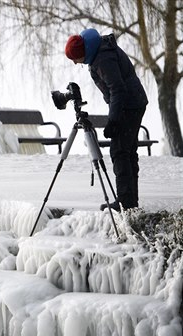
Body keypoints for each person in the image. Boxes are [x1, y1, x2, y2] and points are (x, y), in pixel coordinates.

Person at [65, 28, 148, 211]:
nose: (75, 63)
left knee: (119, 152)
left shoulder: (103, 59)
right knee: (127, 152)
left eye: (74, 59)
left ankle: (125, 203)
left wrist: (114, 121)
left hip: (129, 105)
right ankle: (130, 202)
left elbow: (117, 89)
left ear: (81, 53)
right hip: (133, 102)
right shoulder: (100, 50)